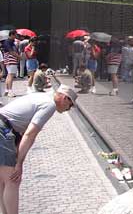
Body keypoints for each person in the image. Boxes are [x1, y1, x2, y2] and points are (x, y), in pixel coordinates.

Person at [0, 84, 76, 214]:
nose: (69, 109)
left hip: (4, 125)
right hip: (3, 129)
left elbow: (25, 133)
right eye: (70, 105)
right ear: (64, 98)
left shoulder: (41, 96)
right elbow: (30, 134)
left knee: (2, 181)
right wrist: (19, 163)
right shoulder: (50, 105)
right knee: (13, 180)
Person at [2, 31, 19, 97]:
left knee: (9, 75)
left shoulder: (11, 42)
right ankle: (10, 91)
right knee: (11, 75)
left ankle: (7, 90)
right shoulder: (8, 42)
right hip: (10, 60)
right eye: (15, 35)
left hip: (10, 60)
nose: (16, 36)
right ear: (11, 35)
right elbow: (11, 52)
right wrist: (19, 57)